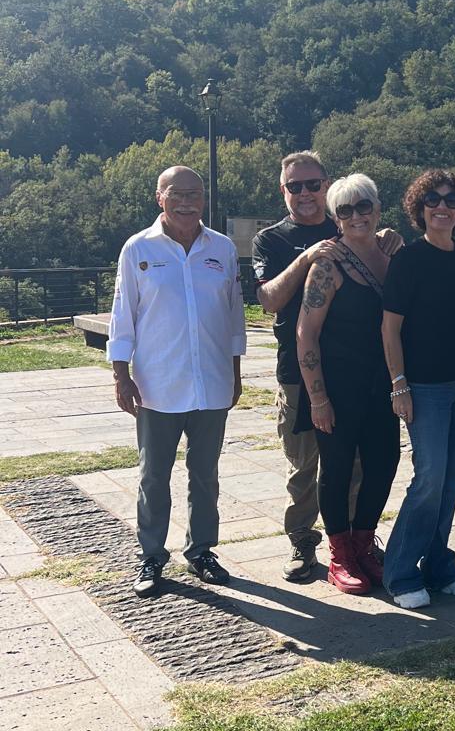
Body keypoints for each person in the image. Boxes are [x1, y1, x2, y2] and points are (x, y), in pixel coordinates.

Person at [252, 150, 401, 583]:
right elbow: (269, 301)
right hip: (302, 373)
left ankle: (357, 543)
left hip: (369, 378)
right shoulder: (273, 240)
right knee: (306, 467)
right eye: (294, 186)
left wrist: (388, 239)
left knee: (360, 466)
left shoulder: (361, 235)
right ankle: (305, 544)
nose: (305, 193)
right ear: (283, 190)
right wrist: (307, 258)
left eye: (313, 184)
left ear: (326, 186)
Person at [108, 166, 246, 599]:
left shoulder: (221, 248)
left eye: (195, 194)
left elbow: (234, 316)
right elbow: (123, 313)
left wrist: (235, 373)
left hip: (212, 383)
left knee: (205, 474)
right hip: (157, 385)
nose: (186, 202)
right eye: (177, 194)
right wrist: (121, 374)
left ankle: (201, 551)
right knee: (154, 475)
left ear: (204, 199)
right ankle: (151, 555)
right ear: (160, 198)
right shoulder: (139, 248)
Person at [381, 170, 455, 610]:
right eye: (432, 199)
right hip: (426, 386)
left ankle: (438, 564)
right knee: (429, 478)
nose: (442, 206)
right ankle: (399, 572)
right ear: (419, 208)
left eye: (451, 200)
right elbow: (390, 329)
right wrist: (399, 384)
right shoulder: (409, 260)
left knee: (451, 479)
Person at [294, 174, 400, 594]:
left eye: (364, 206)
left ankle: (363, 544)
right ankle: (340, 555)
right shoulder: (328, 265)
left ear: (377, 209)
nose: (357, 216)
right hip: (338, 386)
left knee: (384, 463)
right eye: (346, 209)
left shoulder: (392, 256)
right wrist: (317, 397)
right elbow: (306, 333)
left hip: (383, 384)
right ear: (336, 217)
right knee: (336, 469)